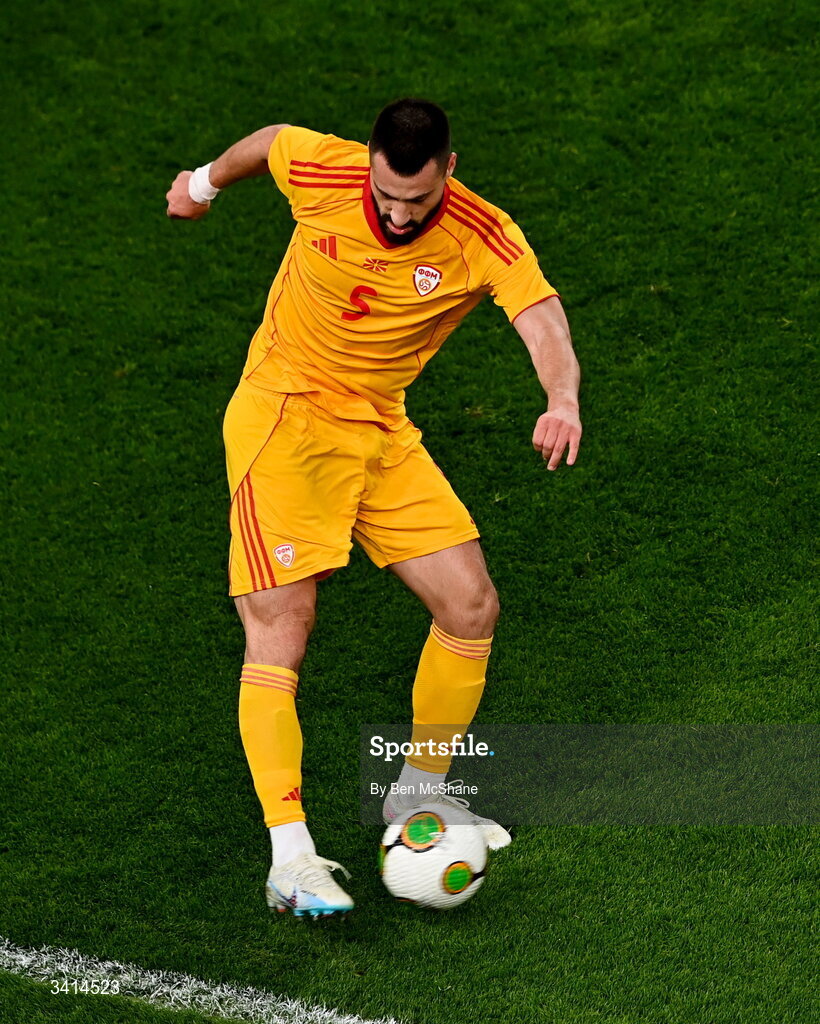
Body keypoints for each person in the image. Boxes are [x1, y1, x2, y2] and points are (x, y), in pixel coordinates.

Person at [166, 98, 581, 918]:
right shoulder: (325, 166)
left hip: (378, 427)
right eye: (385, 197)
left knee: (470, 605)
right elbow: (266, 142)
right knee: (282, 624)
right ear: (369, 162)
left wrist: (561, 400)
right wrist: (205, 183)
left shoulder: (482, 234)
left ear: (449, 174)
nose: (395, 216)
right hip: (283, 417)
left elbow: (542, 321)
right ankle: (290, 856)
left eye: (415, 204)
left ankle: (416, 799)